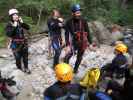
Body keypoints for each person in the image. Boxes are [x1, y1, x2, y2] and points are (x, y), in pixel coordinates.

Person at [64, 4, 93, 73]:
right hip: (73, 41)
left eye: (79, 12)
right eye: (77, 13)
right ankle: (65, 70)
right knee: (67, 56)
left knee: (79, 57)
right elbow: (67, 34)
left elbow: (87, 31)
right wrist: (67, 45)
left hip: (82, 41)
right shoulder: (68, 22)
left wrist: (90, 43)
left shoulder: (83, 20)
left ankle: (75, 69)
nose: (79, 14)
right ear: (72, 13)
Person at [5, 9, 31, 74]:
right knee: (17, 58)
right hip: (15, 44)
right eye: (14, 15)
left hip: (23, 42)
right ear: (11, 16)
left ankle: (26, 68)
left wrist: (22, 23)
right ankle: (19, 68)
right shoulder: (9, 24)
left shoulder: (20, 22)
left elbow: (28, 28)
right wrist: (14, 26)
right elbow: (9, 34)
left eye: (17, 14)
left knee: (25, 57)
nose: (16, 16)